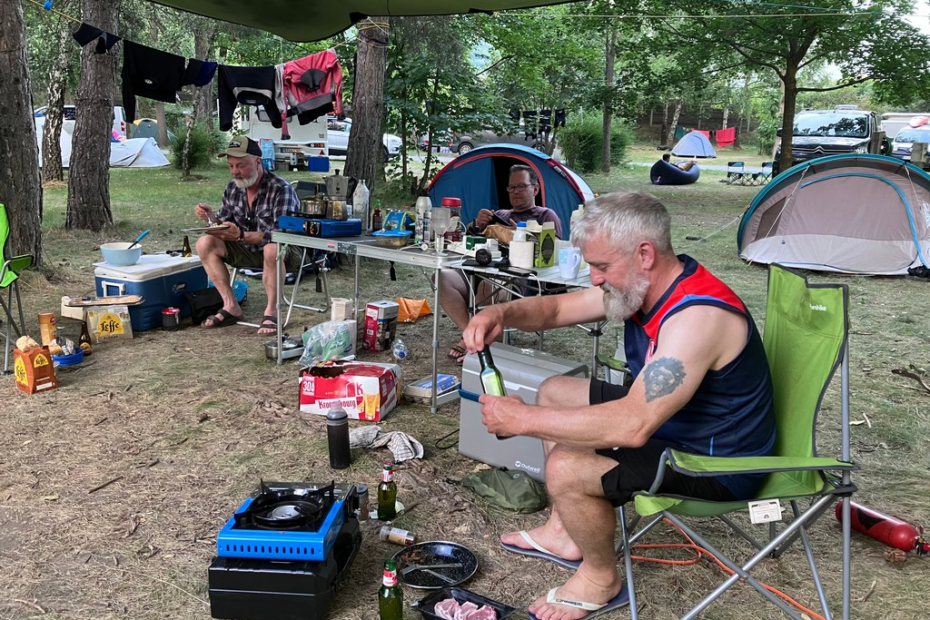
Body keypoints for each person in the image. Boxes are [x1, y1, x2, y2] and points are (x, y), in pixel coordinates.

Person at [462, 191, 775, 620]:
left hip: (718, 463)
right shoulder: (642, 285)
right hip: (677, 424)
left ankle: (599, 578)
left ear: (644, 253)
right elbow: (554, 309)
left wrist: (522, 419)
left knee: (568, 467)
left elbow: (632, 426)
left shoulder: (697, 316)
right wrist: (501, 313)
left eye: (601, 267)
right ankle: (564, 532)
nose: (593, 278)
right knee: (556, 390)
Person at [442, 164, 563, 362]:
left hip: (520, 282)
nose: (515, 192)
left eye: (521, 187)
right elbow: (467, 242)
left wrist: (523, 237)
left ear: (535, 189)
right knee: (442, 277)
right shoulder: (501, 215)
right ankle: (471, 334)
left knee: (490, 285)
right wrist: (476, 224)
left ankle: (478, 339)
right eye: (511, 188)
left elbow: (554, 252)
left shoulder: (545, 216)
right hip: (479, 271)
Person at [193, 135, 302, 334]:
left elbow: (283, 235)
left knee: (272, 248)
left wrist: (241, 235)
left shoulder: (281, 189)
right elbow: (224, 224)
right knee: (205, 243)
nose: (235, 172)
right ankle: (230, 306)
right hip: (248, 249)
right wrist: (211, 219)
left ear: (258, 162)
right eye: (231, 166)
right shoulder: (233, 188)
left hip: (286, 252)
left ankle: (272, 312)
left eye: (241, 166)